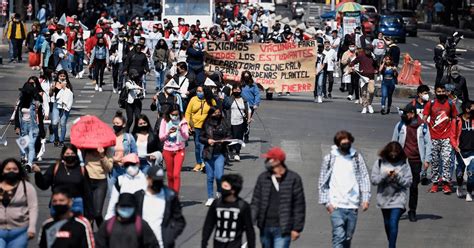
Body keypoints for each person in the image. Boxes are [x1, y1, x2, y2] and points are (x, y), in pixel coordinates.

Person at [318, 130, 370, 248]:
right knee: (338, 236)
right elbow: (322, 182)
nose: (345, 146)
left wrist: (366, 199)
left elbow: (364, 177)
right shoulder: (330, 158)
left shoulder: (356, 157)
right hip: (336, 205)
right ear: (337, 144)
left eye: (348, 143)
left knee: (347, 237)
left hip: (352, 205)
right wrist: (327, 203)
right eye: (343, 144)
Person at [252, 147, 305, 248]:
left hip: (283, 228)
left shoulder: (293, 178)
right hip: (265, 226)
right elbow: (255, 201)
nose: (267, 161)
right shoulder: (263, 178)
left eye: (269, 159)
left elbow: (299, 205)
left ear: (277, 161)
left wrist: (297, 228)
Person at [392, 104, 432, 222]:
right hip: (403, 161)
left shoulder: (423, 126)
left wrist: (427, 160)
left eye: (406, 113)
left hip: (416, 161)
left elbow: (428, 143)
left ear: (413, 114)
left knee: (414, 186)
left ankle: (412, 210)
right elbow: (394, 142)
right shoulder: (400, 125)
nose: (404, 115)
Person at [32, 144, 93, 220]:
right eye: (67, 154)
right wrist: (38, 174)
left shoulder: (81, 170)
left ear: (76, 155)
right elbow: (44, 185)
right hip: (58, 202)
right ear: (63, 155)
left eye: (72, 154)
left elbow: (88, 192)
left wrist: (90, 213)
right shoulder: (55, 167)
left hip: (76, 204)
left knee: (75, 228)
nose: (70, 156)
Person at [371, 142, 413, 248]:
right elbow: (374, 180)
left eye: (396, 154)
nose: (393, 156)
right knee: (387, 223)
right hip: (384, 198)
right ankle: (391, 241)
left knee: (393, 222)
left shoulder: (404, 164)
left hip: (399, 198)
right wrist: (385, 175)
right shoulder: (380, 163)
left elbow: (408, 182)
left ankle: (392, 246)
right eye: (391, 154)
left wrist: (398, 177)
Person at [133, 166, 187, 248]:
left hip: (162, 244)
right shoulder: (139, 196)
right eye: (155, 180)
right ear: (148, 179)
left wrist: (169, 236)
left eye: (160, 180)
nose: (158, 183)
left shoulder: (170, 196)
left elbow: (180, 221)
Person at [202, 174, 255, 248]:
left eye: (225, 186)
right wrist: (204, 242)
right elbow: (208, 224)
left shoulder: (243, 206)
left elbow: (249, 229)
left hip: (234, 245)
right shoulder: (216, 204)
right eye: (222, 186)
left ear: (233, 190)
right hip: (218, 244)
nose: (223, 189)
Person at [423, 84, 458, 193]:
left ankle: (446, 184)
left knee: (447, 160)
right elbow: (424, 118)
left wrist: (454, 134)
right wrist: (425, 132)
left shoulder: (450, 104)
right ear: (435, 92)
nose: (441, 93)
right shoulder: (431, 104)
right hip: (433, 137)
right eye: (439, 91)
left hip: (446, 137)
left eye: (443, 91)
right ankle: (435, 184)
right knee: (435, 161)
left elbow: (455, 118)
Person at [0, 158, 38, 247]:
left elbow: (33, 208)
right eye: (8, 169)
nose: (11, 171)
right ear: (2, 171)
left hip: (19, 232)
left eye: (14, 169)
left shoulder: (27, 187)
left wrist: (32, 228)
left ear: (19, 171)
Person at [200, 107, 231, 206]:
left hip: (220, 153)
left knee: (219, 176)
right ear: (211, 114)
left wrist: (224, 140)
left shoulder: (224, 122)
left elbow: (230, 135)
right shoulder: (206, 123)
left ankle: (219, 191)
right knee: (210, 177)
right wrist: (207, 141)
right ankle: (210, 197)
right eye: (215, 113)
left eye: (219, 113)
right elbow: (200, 137)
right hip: (208, 153)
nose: (217, 114)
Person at [105, 153, 147, 220]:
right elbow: (112, 204)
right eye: (127, 165)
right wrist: (107, 222)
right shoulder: (120, 181)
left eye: (132, 164)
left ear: (138, 164)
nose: (130, 167)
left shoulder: (146, 181)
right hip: (124, 218)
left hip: (141, 220)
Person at [159, 105, 190, 193]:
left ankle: (175, 196)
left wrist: (181, 130)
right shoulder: (164, 121)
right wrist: (168, 133)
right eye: (172, 114)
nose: (174, 116)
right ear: (169, 114)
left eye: (176, 115)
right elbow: (161, 137)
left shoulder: (183, 122)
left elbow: (186, 137)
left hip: (179, 149)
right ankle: (170, 194)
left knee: (176, 174)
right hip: (167, 150)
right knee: (170, 175)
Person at [186, 86, 216, 172]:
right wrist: (188, 125)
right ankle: (198, 163)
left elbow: (216, 112)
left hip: (207, 127)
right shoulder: (193, 100)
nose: (199, 92)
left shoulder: (211, 100)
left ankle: (204, 162)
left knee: (205, 145)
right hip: (195, 127)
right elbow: (187, 113)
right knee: (197, 146)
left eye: (200, 91)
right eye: (197, 91)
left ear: (205, 92)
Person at [14, 78, 42, 168]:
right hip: (23, 126)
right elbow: (17, 116)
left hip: (33, 127)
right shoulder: (20, 103)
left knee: (31, 145)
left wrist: (41, 129)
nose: (25, 94)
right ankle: (24, 157)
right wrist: (17, 126)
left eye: (27, 92)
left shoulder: (36, 103)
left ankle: (29, 163)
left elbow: (40, 116)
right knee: (23, 145)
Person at [82, 146, 113, 228]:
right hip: (87, 181)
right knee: (88, 214)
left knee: (97, 213)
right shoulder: (85, 148)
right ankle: (89, 235)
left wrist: (102, 155)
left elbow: (109, 168)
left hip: (100, 181)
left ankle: (104, 234)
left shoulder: (109, 149)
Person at [452, 101, 474, 202]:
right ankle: (460, 186)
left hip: (472, 152)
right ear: (467, 109)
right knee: (460, 173)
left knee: (471, 173)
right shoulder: (457, 120)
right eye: (472, 108)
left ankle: (469, 192)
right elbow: (452, 136)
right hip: (460, 152)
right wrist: (455, 146)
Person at [110, 111, 138, 184]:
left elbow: (135, 153)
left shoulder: (129, 137)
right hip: (113, 170)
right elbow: (106, 155)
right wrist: (114, 160)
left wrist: (126, 161)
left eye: (118, 123)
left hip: (126, 170)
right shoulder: (110, 137)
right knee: (112, 193)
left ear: (123, 124)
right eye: (114, 123)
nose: (115, 125)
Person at [224, 85, 251, 161]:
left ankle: (237, 153)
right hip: (229, 121)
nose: (236, 91)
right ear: (232, 90)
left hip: (240, 122)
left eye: (238, 89)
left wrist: (249, 119)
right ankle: (230, 151)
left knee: (238, 137)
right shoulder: (228, 99)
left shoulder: (244, 100)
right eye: (235, 89)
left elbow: (248, 110)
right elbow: (224, 108)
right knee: (230, 137)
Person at [351, 48, 377, 114]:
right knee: (364, 93)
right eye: (366, 50)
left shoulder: (373, 57)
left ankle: (369, 104)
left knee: (371, 91)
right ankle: (364, 107)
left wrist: (376, 69)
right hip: (363, 77)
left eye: (369, 50)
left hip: (371, 77)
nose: (367, 51)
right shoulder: (361, 56)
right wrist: (352, 66)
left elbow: (377, 65)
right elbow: (353, 62)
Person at [53, 70, 73, 146]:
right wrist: (52, 88)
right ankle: (56, 138)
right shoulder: (55, 83)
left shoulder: (68, 84)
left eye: (64, 76)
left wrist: (65, 88)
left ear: (66, 77)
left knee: (62, 123)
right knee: (54, 123)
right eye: (60, 76)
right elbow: (51, 94)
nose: (62, 77)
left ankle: (61, 140)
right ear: (58, 76)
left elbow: (71, 95)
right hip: (56, 104)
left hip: (65, 106)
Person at [241, 71, 260, 143]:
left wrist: (256, 104)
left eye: (247, 76)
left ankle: (246, 136)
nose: (246, 78)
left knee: (247, 121)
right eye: (245, 76)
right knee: (240, 121)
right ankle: (240, 135)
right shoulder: (240, 84)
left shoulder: (253, 85)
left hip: (250, 106)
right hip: (241, 105)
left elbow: (257, 94)